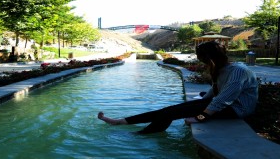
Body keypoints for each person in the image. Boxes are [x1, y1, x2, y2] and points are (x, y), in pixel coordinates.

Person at [97, 41, 259, 134]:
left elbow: (223, 100)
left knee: (172, 112)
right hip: (223, 105)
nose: (202, 63)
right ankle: (126, 125)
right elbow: (214, 91)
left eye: (202, 59)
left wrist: (199, 117)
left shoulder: (238, 71)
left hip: (236, 109)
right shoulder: (221, 69)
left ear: (210, 58)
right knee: (169, 111)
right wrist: (196, 104)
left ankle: (129, 129)